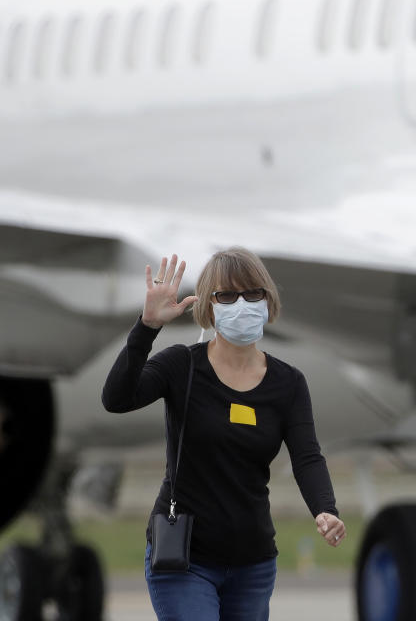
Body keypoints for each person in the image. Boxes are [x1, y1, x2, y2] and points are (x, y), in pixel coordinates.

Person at [102, 249, 346, 621]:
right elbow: (116, 399)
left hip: (253, 563)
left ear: (268, 300)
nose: (242, 304)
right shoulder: (181, 365)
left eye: (253, 294)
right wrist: (147, 328)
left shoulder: (288, 383)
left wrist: (325, 509)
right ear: (209, 306)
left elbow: (307, 456)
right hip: (185, 558)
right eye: (227, 296)